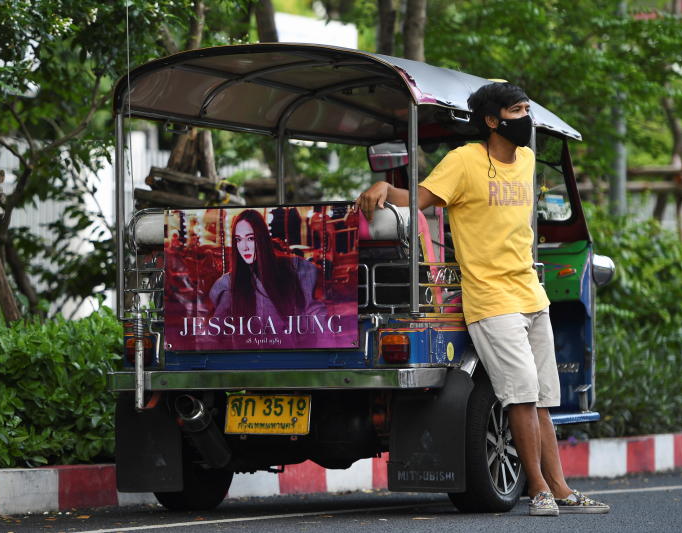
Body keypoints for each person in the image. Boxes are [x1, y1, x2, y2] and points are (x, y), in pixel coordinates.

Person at [355, 82, 609, 517]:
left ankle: (561, 488)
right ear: (492, 121)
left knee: (545, 397)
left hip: (532, 293)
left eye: (527, 108)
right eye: (516, 110)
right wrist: (382, 188)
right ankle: (539, 489)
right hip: (491, 300)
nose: (525, 117)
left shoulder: (528, 159)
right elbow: (420, 199)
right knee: (522, 395)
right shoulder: (464, 161)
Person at [209, 209, 326, 333]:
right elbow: (214, 330)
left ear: (262, 239)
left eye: (250, 238)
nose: (244, 247)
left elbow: (317, 316)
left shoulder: (292, 269)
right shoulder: (230, 283)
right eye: (238, 239)